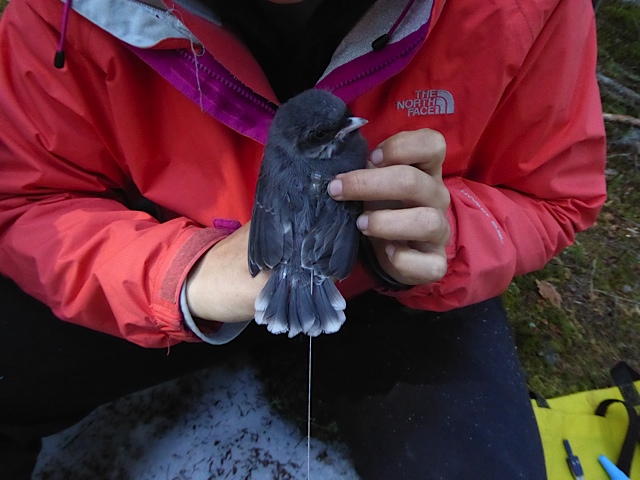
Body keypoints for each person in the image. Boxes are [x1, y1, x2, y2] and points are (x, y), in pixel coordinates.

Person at [0, 0, 605, 478]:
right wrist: (183, 275)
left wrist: (447, 236)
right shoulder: (65, 13)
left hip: (387, 294)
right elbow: (26, 198)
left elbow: (555, 194)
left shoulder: (527, 9)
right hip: (156, 259)